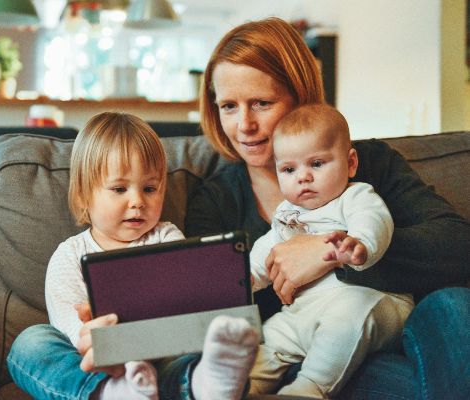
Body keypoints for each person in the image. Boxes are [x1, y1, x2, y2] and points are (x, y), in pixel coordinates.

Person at [185, 17, 470, 399]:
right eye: (229, 107)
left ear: (300, 96)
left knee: (453, 304)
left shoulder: (368, 164)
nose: (245, 125)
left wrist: (330, 251)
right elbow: (212, 307)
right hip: (290, 356)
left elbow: (457, 246)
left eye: (261, 103)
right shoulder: (215, 200)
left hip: (383, 337)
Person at [6, 111, 259, 400]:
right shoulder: (69, 255)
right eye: (119, 189)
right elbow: (70, 328)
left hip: (163, 356)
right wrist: (102, 342)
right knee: (30, 343)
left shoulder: (166, 237)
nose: (138, 201)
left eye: (150, 188)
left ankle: (205, 384)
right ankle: (112, 393)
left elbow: (187, 301)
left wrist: (222, 286)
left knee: (208, 346)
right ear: (83, 196)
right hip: (100, 364)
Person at [246, 103, 413, 398]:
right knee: (269, 336)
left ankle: (308, 389)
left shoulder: (355, 195)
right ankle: (243, 387)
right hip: (303, 313)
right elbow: (268, 249)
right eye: (289, 169)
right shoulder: (287, 212)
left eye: (317, 164)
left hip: (371, 303)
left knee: (346, 316)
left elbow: (374, 220)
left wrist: (360, 244)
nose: (303, 177)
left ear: (350, 163)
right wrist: (247, 277)